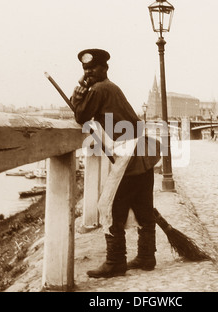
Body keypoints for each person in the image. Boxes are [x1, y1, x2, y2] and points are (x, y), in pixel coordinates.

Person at [70, 48, 161, 278]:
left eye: (93, 68)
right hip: (141, 152)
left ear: (105, 68)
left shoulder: (99, 89)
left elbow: (80, 116)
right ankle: (147, 257)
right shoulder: (111, 88)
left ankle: (115, 262)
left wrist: (79, 88)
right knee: (142, 206)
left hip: (128, 155)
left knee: (108, 207)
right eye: (85, 69)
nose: (89, 72)